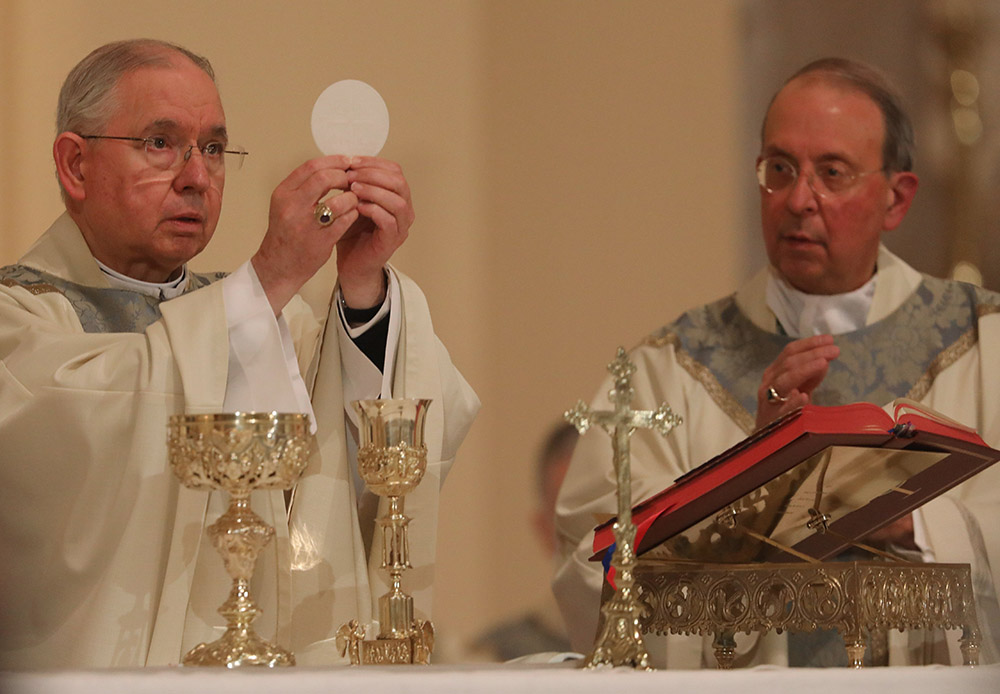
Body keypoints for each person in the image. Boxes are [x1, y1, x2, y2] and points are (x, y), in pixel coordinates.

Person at [0, 39, 479, 668]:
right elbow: (83, 433)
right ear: (76, 165)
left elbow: (400, 443)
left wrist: (362, 292)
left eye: (215, 149)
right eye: (160, 142)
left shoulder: (273, 320)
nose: (197, 177)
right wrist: (271, 276)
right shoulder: (20, 317)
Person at [553, 57, 1000, 668]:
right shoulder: (672, 368)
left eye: (832, 173)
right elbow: (596, 561)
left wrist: (912, 524)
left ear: (897, 198)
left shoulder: (983, 342)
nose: (798, 200)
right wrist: (754, 480)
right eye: (779, 169)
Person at [461, 423, 576, 662]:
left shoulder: (666, 646)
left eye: (605, 506)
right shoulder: (496, 657)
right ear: (544, 529)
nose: (592, 532)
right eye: (570, 510)